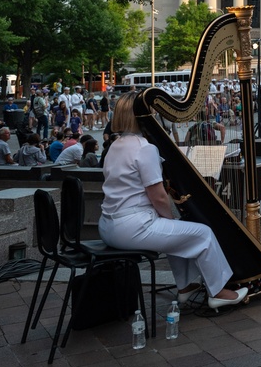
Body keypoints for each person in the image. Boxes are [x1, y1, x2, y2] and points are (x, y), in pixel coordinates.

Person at [98, 92, 247, 309]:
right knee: (203, 234)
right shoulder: (144, 148)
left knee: (176, 232)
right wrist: (169, 218)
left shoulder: (114, 145)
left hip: (108, 226)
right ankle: (219, 291)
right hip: (131, 227)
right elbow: (158, 196)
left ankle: (186, 287)